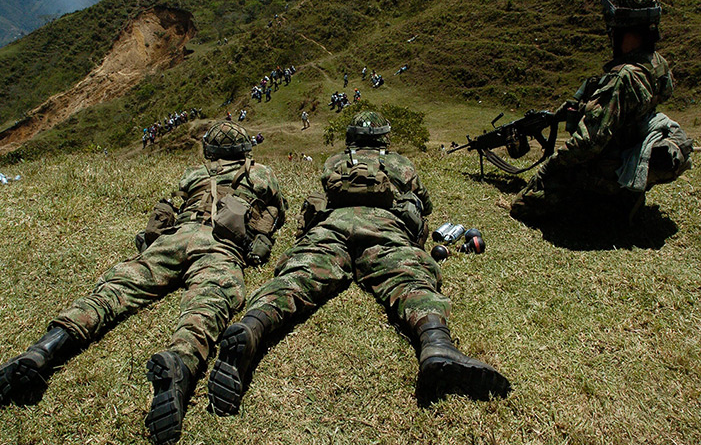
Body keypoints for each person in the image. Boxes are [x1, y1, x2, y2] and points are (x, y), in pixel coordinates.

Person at [0, 122, 287, 445]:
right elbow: (276, 211)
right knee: (208, 303)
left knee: (115, 290)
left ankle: (47, 347)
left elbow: (166, 211)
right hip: (219, 245)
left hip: (174, 239)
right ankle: (180, 362)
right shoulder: (261, 174)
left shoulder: (194, 174)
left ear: (210, 152)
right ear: (244, 151)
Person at [206, 111, 511, 417]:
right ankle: (436, 342)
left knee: (298, 276)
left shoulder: (335, 162)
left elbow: (321, 195)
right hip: (384, 226)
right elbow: (425, 205)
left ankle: (253, 325)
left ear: (351, 138)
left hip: (332, 226)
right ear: (384, 138)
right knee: (408, 277)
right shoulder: (400, 164)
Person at [511, 0, 693, 223]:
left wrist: (549, 168)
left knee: (522, 206)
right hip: (629, 151)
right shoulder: (656, 63)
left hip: (612, 164)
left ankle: (606, 204)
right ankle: (618, 196)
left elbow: (587, 144)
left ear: (619, 25)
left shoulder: (623, 77)